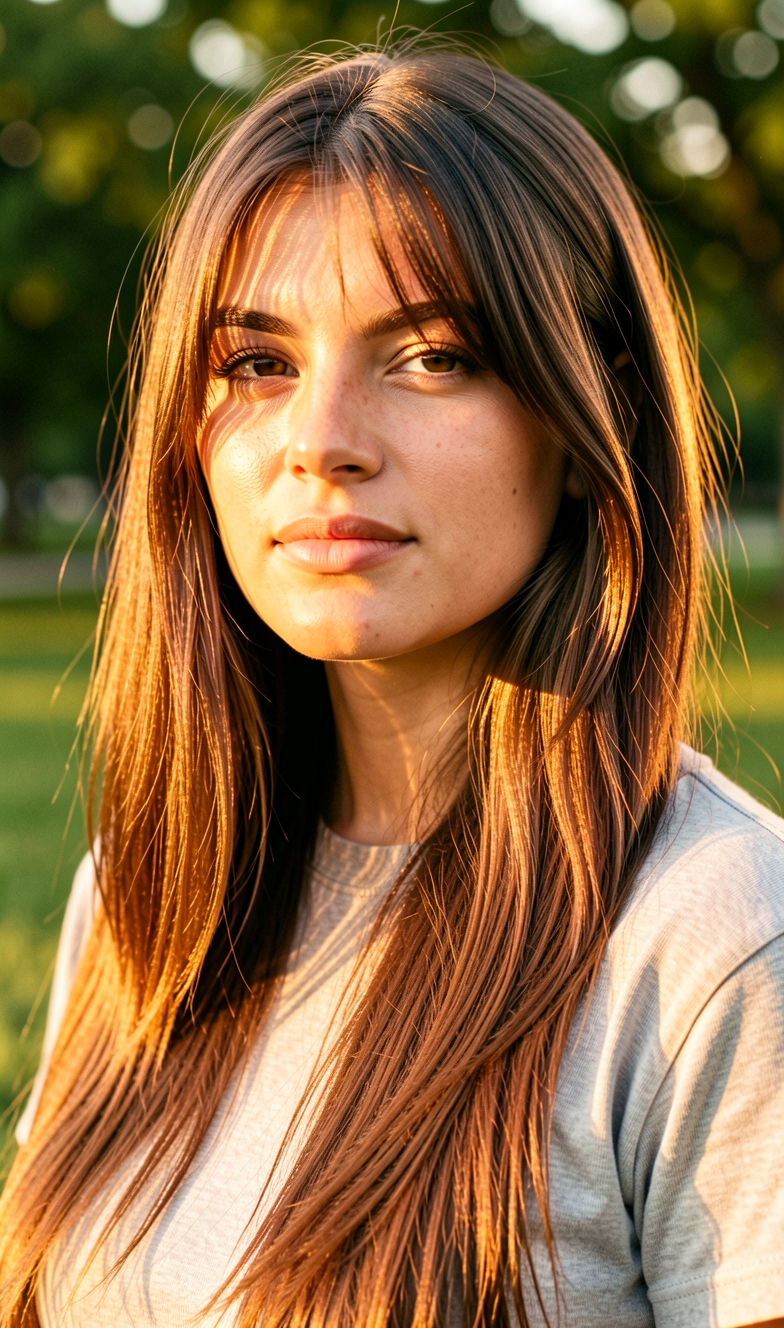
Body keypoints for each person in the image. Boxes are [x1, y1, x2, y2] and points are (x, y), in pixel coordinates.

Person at [0, 43, 782, 1328]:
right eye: (258, 363)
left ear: (589, 424)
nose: (319, 441)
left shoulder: (717, 940)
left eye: (430, 356)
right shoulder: (145, 894)